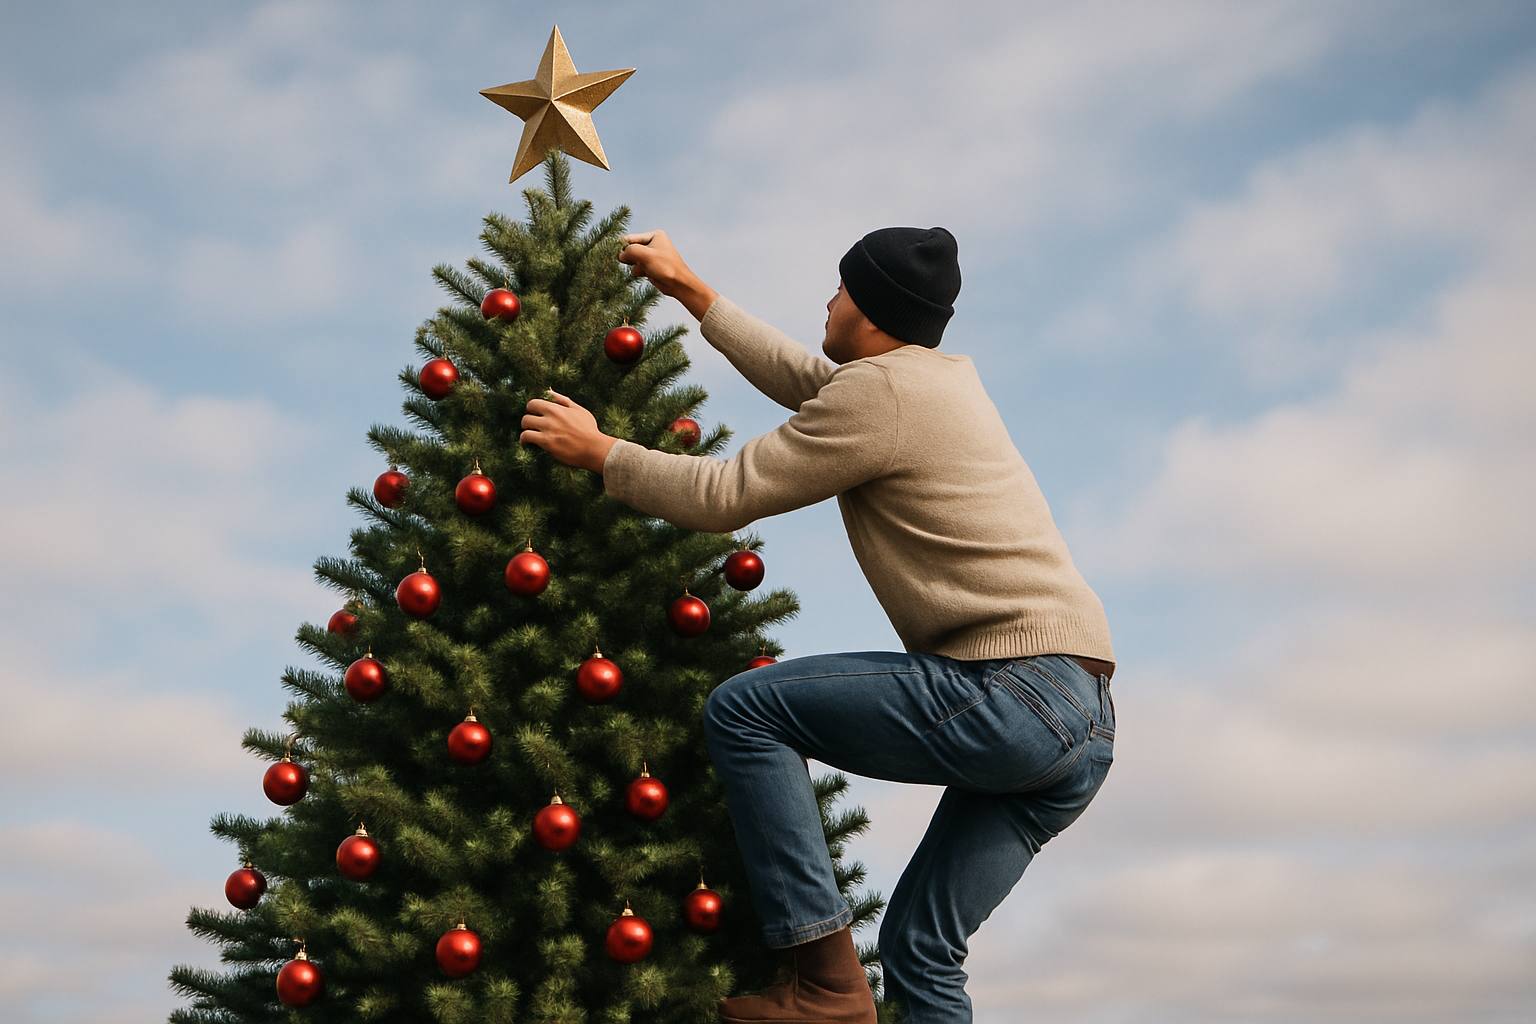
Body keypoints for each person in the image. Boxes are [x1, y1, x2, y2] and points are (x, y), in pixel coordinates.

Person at [519, 227, 1118, 1024]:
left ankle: (828, 986)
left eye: (840, 291)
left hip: (1011, 688)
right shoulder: (930, 382)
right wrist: (692, 290)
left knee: (745, 708)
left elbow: (724, 495)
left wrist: (601, 454)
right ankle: (845, 988)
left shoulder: (881, 396)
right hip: (1082, 721)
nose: (827, 303)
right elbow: (813, 382)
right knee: (921, 949)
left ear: (869, 313)